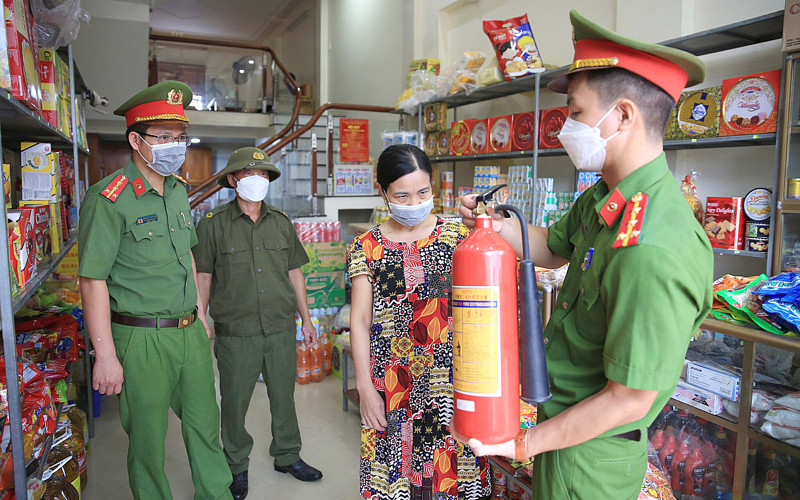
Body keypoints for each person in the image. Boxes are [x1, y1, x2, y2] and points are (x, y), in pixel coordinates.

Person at [456, 10, 714, 500]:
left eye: (576, 114)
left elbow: (628, 399)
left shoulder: (653, 244)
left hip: (593, 456)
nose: (564, 130)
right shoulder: (604, 197)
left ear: (622, 115)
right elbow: (551, 251)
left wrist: (525, 442)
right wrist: (490, 223)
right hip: (565, 430)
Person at [78, 81, 233, 500]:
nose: (174, 146)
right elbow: (92, 280)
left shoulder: (180, 191)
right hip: (141, 337)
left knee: (205, 426)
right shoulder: (109, 199)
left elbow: (190, 257)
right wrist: (105, 355)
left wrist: (200, 314)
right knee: (147, 442)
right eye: (163, 138)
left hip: (189, 333)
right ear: (135, 140)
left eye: (180, 138)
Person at [348, 144, 491, 500]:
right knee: (397, 474)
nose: (413, 203)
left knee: (454, 475)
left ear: (433, 188)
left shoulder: (457, 237)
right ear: (382, 192)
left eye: (422, 192)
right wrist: (365, 388)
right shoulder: (367, 246)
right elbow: (361, 321)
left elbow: (482, 312)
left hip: (452, 383)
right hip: (392, 383)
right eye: (402, 195)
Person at [194, 147, 323, 500]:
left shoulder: (280, 222)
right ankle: (235, 465)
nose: (258, 180)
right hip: (236, 331)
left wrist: (307, 319)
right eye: (250, 175)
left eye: (264, 175)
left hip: (280, 326)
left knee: (285, 397)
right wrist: (200, 318)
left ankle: (287, 455)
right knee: (234, 402)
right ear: (233, 180)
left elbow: (295, 273)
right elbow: (203, 276)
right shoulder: (213, 225)